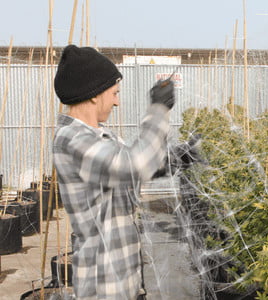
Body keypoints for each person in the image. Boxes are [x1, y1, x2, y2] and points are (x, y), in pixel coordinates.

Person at [52, 44, 200, 299]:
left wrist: (178, 158)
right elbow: (134, 163)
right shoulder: (72, 139)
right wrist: (158, 110)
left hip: (125, 281)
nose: (117, 102)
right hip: (104, 287)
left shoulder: (99, 137)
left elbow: (133, 172)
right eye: (114, 93)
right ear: (95, 94)